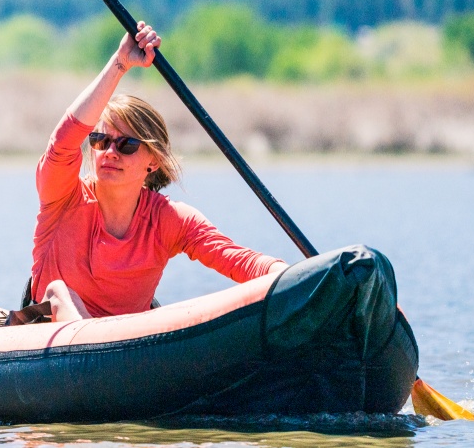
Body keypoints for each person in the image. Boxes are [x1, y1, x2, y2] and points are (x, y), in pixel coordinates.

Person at [30, 21, 287, 321]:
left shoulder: (168, 220)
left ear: (153, 161)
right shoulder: (62, 195)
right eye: (101, 141)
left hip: (127, 339)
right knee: (59, 291)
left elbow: (239, 261)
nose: (110, 152)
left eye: (126, 145)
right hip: (48, 330)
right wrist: (120, 63)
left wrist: (300, 276)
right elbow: (63, 143)